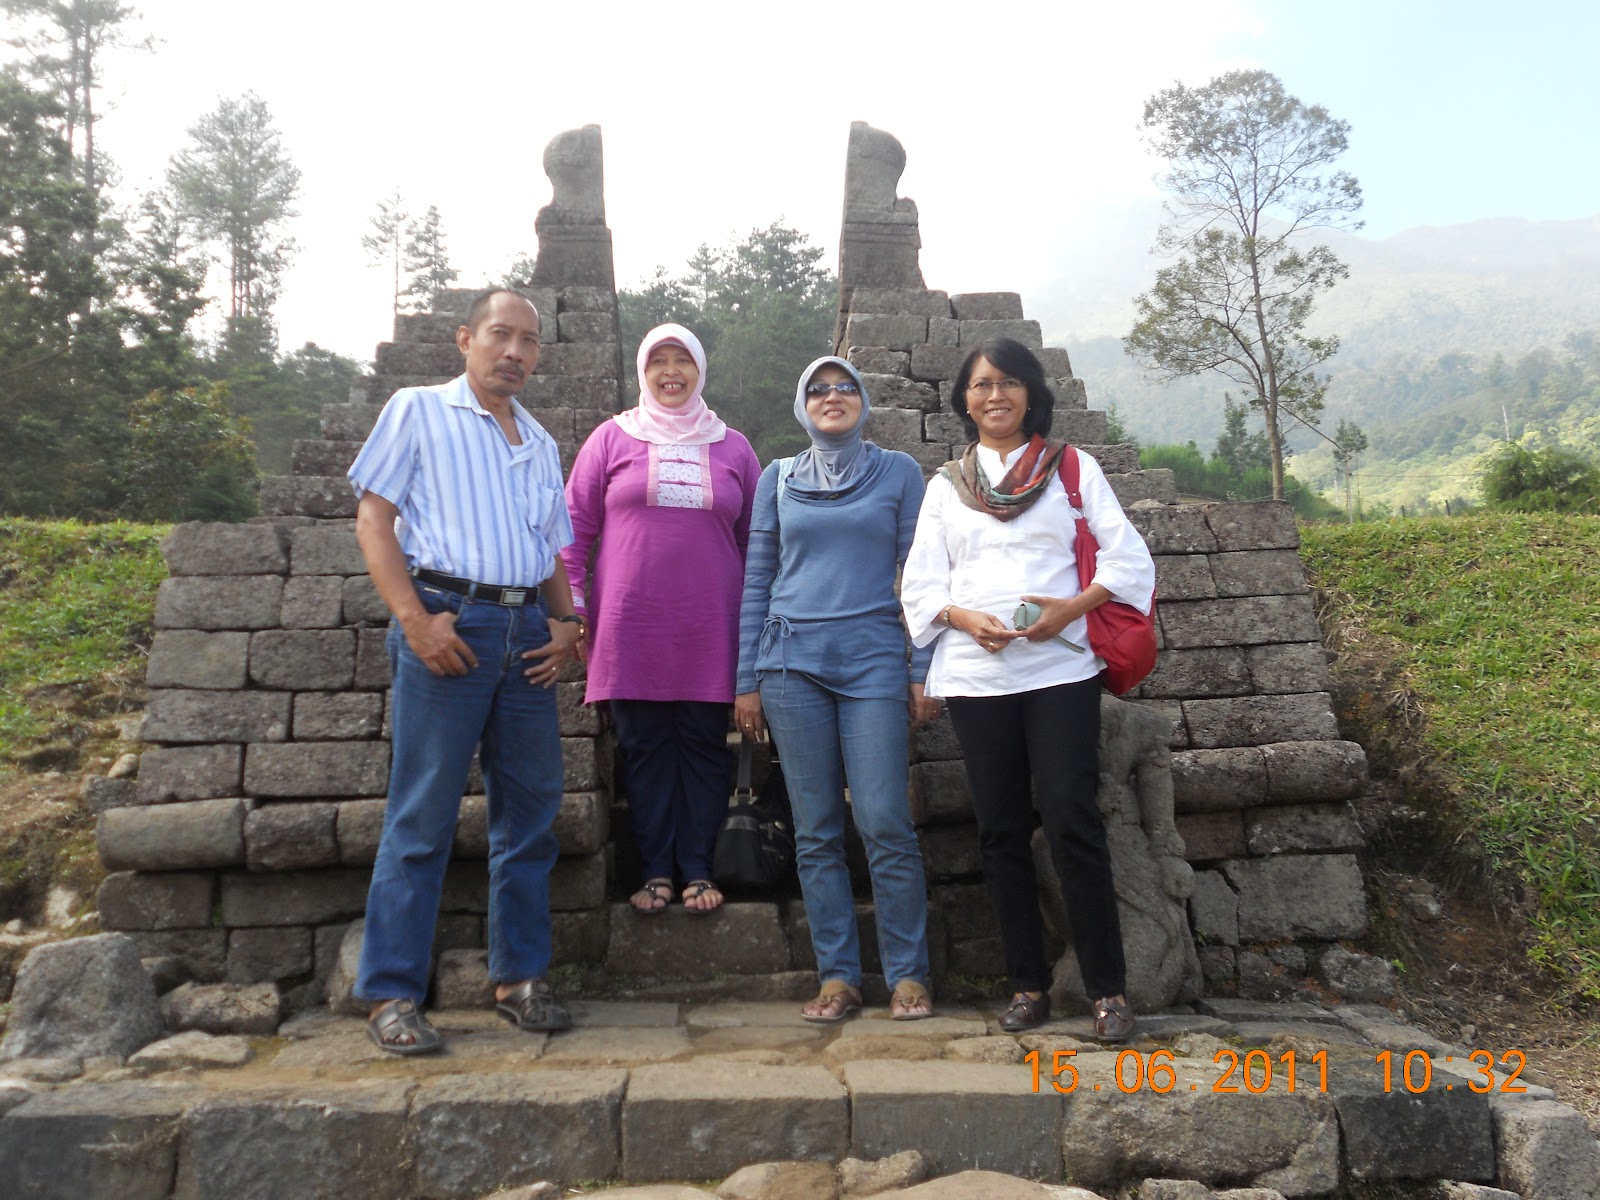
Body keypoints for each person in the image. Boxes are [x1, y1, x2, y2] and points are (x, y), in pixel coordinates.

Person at [348, 288, 584, 1055]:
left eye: (527, 341)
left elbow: (550, 551)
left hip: (525, 635)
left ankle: (518, 979)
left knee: (531, 813)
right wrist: (415, 620)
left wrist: (569, 624)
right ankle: (391, 992)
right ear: (465, 339)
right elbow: (374, 519)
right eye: (500, 335)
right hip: (450, 619)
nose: (513, 351)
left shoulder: (541, 444)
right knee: (421, 812)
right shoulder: (418, 411)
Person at [900, 337, 1155, 1041]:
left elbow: (1126, 555)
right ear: (965, 399)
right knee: (1001, 830)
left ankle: (1107, 989)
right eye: (981, 385)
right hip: (979, 677)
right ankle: (1026, 984)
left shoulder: (1072, 468)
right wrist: (960, 617)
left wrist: (1067, 610)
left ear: (1031, 394)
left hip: (1060, 669)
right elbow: (922, 584)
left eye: (1009, 383)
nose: (995, 396)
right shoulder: (946, 485)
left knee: (1074, 818)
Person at [734, 357, 938, 1023]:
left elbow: (922, 576)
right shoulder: (779, 479)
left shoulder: (900, 473)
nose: (832, 397)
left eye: (844, 387)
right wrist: (745, 681)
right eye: (818, 388)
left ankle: (908, 974)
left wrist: (920, 668)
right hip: (790, 663)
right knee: (816, 828)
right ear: (802, 403)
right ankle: (839, 977)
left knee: (883, 818)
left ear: (864, 400)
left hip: (873, 658)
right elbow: (757, 579)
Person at [562, 324, 760, 915]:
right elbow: (572, 530)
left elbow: (759, 543)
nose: (671, 372)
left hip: (709, 625)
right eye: (659, 362)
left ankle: (699, 868)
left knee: (703, 744)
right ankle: (655, 872)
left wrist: (756, 629)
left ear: (701, 371)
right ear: (643, 372)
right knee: (645, 747)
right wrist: (573, 608)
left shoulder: (734, 447)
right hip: (630, 624)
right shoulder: (610, 439)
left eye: (683, 361)